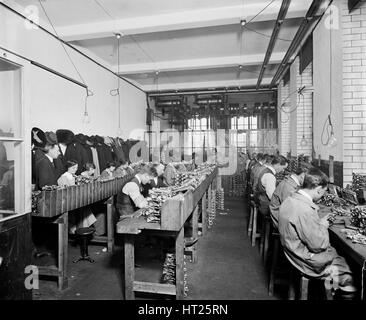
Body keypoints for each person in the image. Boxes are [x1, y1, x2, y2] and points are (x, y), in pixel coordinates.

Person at [278, 168, 357, 297]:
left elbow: (302, 226)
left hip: (292, 250)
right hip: (305, 260)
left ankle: (334, 287)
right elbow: (318, 245)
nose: (322, 195)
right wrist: (323, 226)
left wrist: (318, 223)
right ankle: (345, 290)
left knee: (339, 253)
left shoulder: (292, 199)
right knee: (348, 272)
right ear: (319, 189)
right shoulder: (305, 209)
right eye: (323, 191)